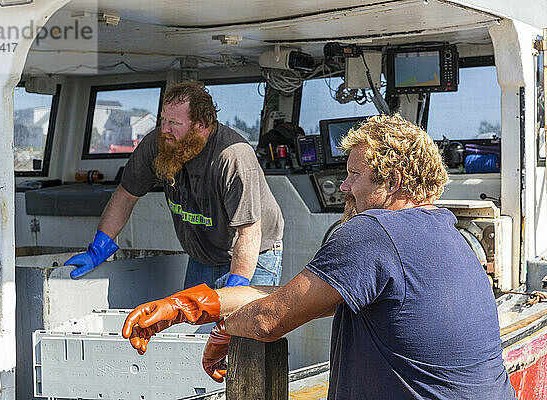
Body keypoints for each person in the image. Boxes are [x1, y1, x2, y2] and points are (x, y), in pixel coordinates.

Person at [121, 114, 516, 399]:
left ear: (392, 182)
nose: (343, 186)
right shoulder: (448, 234)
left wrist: (225, 330)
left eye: (354, 175)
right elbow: (296, 299)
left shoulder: (374, 232)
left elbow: (268, 319)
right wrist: (189, 305)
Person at [65, 81, 284, 289]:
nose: (164, 129)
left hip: (254, 255)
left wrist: (235, 290)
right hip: (203, 257)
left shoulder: (233, 157)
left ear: (201, 126)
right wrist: (99, 247)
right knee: (192, 328)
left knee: (238, 327)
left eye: (174, 123)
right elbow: (126, 195)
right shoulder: (158, 143)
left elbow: (249, 232)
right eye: (163, 120)